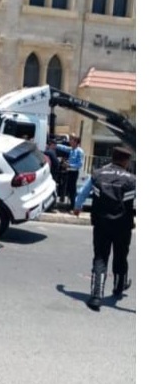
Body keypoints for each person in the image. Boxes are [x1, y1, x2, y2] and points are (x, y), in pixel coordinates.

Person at [73, 146, 136, 312]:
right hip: (123, 225)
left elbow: (83, 191)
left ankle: (96, 296)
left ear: (112, 158)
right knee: (121, 256)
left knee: (100, 257)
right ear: (126, 161)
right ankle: (119, 287)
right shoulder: (132, 179)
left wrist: (78, 206)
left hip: (101, 223)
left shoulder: (98, 174)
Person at [56, 134, 84, 211]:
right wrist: (55, 144)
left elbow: (80, 164)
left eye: (72, 140)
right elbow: (64, 148)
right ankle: (71, 205)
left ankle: (73, 206)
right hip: (69, 171)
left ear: (76, 142)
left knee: (72, 190)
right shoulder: (72, 149)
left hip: (74, 172)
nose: (70, 141)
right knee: (69, 189)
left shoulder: (79, 151)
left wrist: (69, 165)